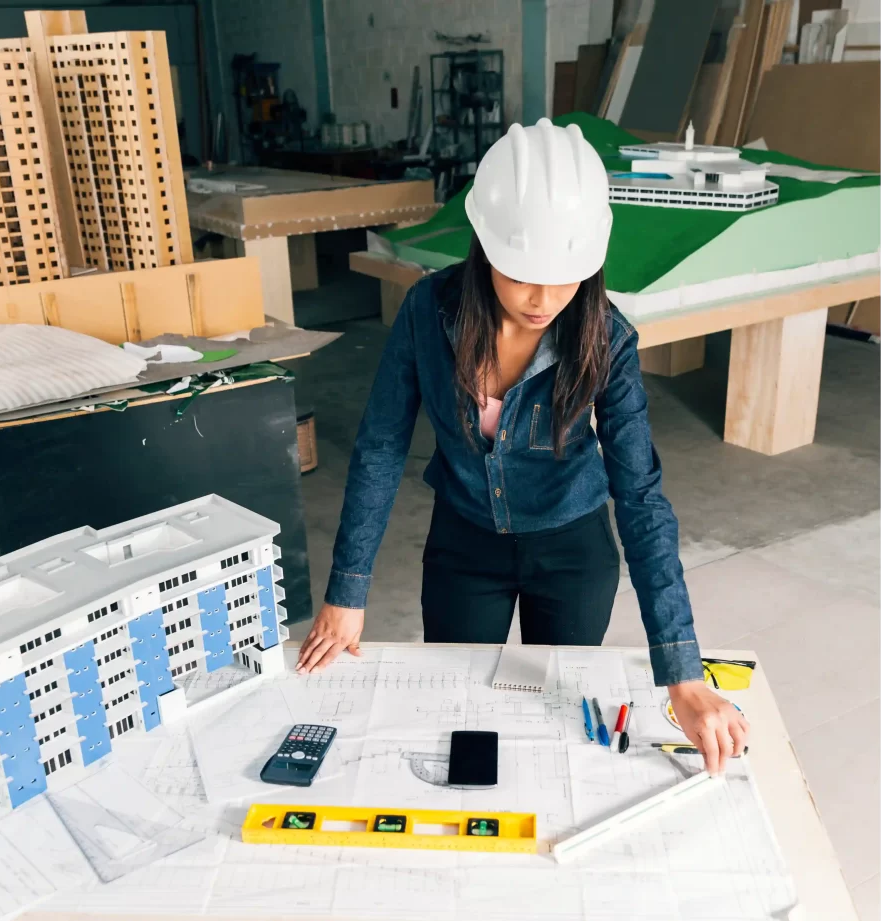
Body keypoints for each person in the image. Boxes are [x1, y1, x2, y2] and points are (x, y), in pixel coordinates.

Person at [296, 119, 749, 774]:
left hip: (572, 551)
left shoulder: (607, 340)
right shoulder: (429, 312)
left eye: (565, 277)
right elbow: (380, 446)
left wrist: (681, 672)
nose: (543, 299)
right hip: (464, 545)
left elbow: (641, 496)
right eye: (523, 274)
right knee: (458, 714)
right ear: (486, 243)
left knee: (554, 725)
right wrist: (348, 589)